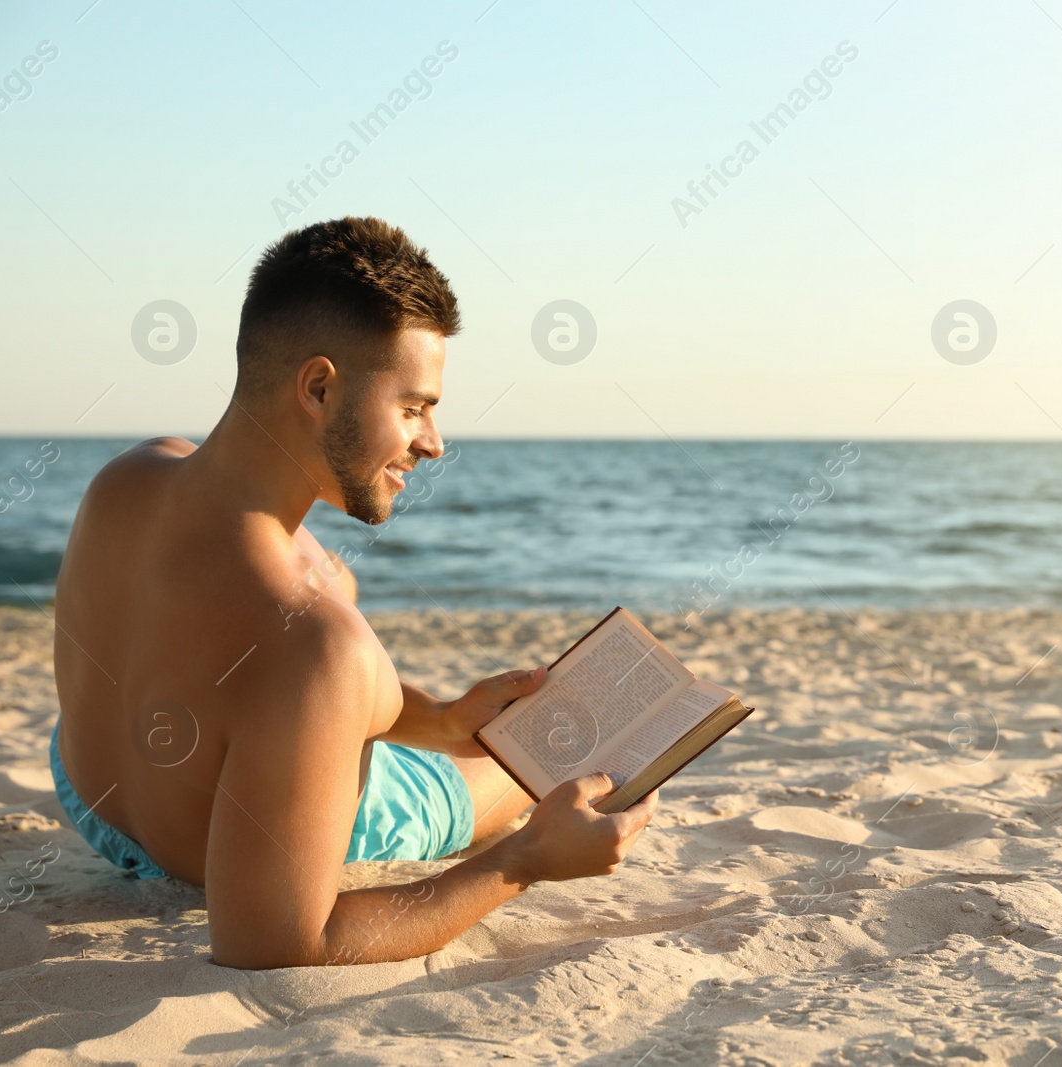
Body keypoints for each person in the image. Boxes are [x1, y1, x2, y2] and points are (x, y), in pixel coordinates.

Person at [48, 216, 656, 969]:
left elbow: (240, 676)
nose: (433, 441)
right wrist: (523, 858)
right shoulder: (317, 641)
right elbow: (276, 941)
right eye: (413, 407)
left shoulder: (129, 478)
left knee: (344, 615)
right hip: (207, 854)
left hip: (98, 802)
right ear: (319, 386)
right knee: (539, 755)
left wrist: (435, 717)